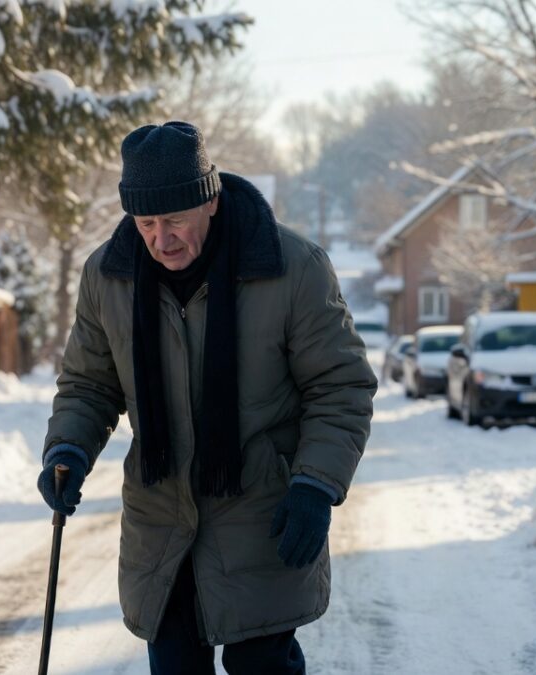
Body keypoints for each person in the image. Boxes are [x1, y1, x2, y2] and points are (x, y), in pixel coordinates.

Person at [37, 121, 377, 674]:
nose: (160, 239)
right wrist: (68, 450)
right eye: (145, 222)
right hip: (161, 526)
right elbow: (89, 384)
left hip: (261, 520)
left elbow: (340, 386)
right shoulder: (109, 276)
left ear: (210, 202)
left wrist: (315, 485)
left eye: (174, 220)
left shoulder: (290, 268)